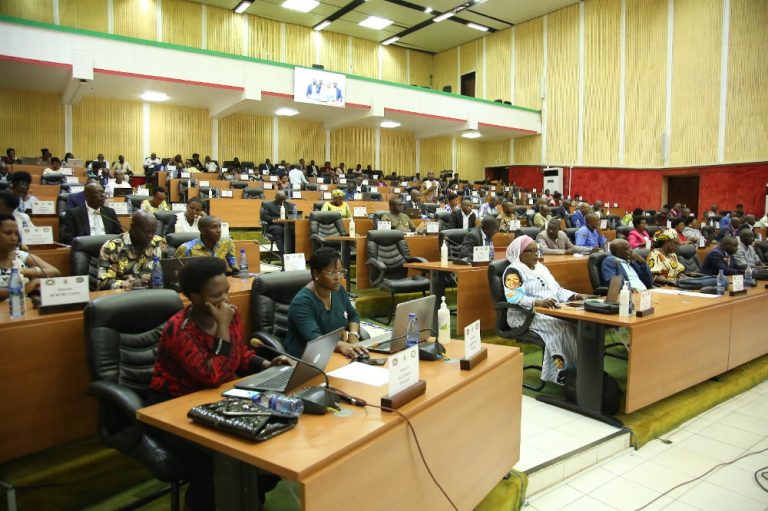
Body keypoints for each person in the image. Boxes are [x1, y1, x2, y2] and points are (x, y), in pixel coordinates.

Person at [148, 257, 291, 511]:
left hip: (218, 398)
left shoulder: (229, 315)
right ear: (195, 296)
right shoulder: (179, 329)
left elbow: (239, 355)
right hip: (173, 408)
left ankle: (248, 498)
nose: (226, 299)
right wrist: (222, 328)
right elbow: (210, 375)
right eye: (216, 295)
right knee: (214, 460)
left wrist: (267, 365)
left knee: (269, 437)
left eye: (226, 290)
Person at [503, 236, 589, 384]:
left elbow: (557, 290)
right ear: (521, 253)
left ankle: (580, 371)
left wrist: (576, 295)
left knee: (576, 324)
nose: (537, 254)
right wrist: (538, 302)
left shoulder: (542, 268)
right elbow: (514, 297)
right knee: (562, 326)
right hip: (524, 315)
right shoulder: (513, 271)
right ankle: (562, 373)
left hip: (550, 310)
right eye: (532, 251)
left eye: (538, 250)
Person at [284, 247, 368, 358]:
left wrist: (353, 334)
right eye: (332, 273)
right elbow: (315, 339)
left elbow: (353, 315)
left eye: (341, 272)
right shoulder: (301, 302)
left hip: (334, 353)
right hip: (307, 359)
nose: (338, 277)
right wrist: (342, 345)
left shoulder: (338, 291)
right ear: (316, 274)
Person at [97, 211, 167, 290]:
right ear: (132, 227)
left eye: (153, 232)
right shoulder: (111, 247)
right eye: (146, 232)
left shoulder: (158, 242)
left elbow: (168, 272)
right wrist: (132, 283)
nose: (150, 236)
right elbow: (103, 283)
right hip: (122, 297)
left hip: (152, 294)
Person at [0, 213, 60, 299]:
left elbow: (56, 273)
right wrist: (27, 288)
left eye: (16, 234)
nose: (14, 238)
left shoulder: (20, 255)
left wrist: (30, 271)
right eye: (8, 233)